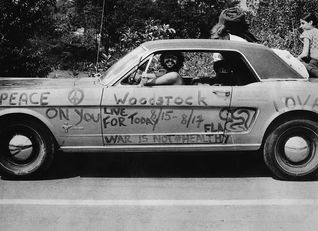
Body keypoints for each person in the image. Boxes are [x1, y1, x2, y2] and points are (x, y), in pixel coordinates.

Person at [298, 13, 318, 78]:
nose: (300, 26)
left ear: (310, 22)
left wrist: (297, 59)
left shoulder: (307, 33)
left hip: (314, 63)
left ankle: (314, 71)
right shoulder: (316, 31)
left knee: (300, 65)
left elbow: (305, 53)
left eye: (303, 23)